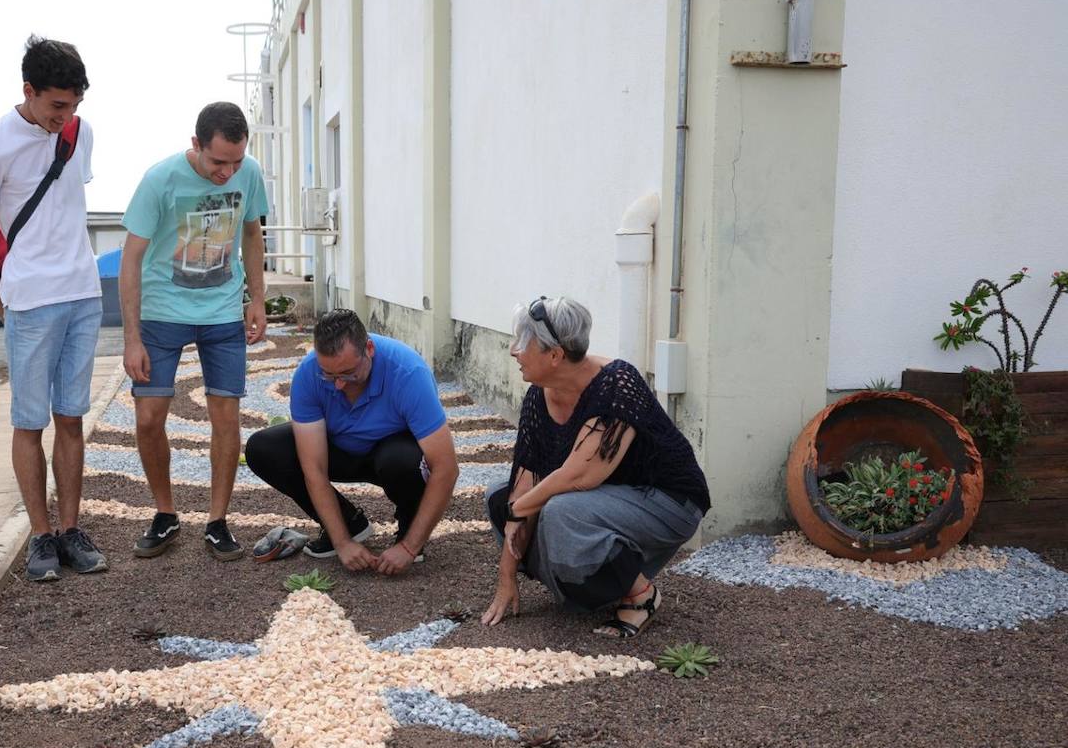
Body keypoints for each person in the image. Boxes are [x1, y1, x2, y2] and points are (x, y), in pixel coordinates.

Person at [481, 296, 710, 636]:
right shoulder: (539, 394)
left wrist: (519, 511)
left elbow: (582, 475)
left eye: (522, 343)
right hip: (610, 498)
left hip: (669, 501)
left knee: (562, 511)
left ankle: (640, 596)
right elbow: (524, 482)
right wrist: (506, 576)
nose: (514, 351)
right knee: (497, 495)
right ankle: (580, 587)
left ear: (555, 355)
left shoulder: (617, 384)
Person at [0, 35, 107, 582]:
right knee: (30, 422)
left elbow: (68, 207)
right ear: (28, 91)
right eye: (56, 105)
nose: (66, 116)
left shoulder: (80, 133)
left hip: (82, 293)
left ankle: (70, 529)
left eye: (73, 105)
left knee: (71, 417)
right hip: (30, 299)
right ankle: (40, 537)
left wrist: (70, 121)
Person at [119, 102, 269, 561]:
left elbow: (251, 233)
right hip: (162, 312)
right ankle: (165, 514)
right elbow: (130, 259)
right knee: (148, 418)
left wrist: (256, 298)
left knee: (226, 420)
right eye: (217, 161)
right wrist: (131, 338)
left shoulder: (249, 173)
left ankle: (217, 521)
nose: (227, 172)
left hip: (222, 312)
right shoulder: (159, 180)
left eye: (236, 161)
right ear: (196, 145)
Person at [244, 309, 459, 575]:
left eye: (347, 373)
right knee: (263, 448)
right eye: (329, 375)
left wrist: (408, 548)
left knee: (401, 461)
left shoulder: (408, 372)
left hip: (392, 454)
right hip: (340, 452)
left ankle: (409, 531)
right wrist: (342, 541)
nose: (338, 386)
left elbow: (446, 467)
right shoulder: (308, 373)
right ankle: (349, 525)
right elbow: (314, 469)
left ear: (369, 349)